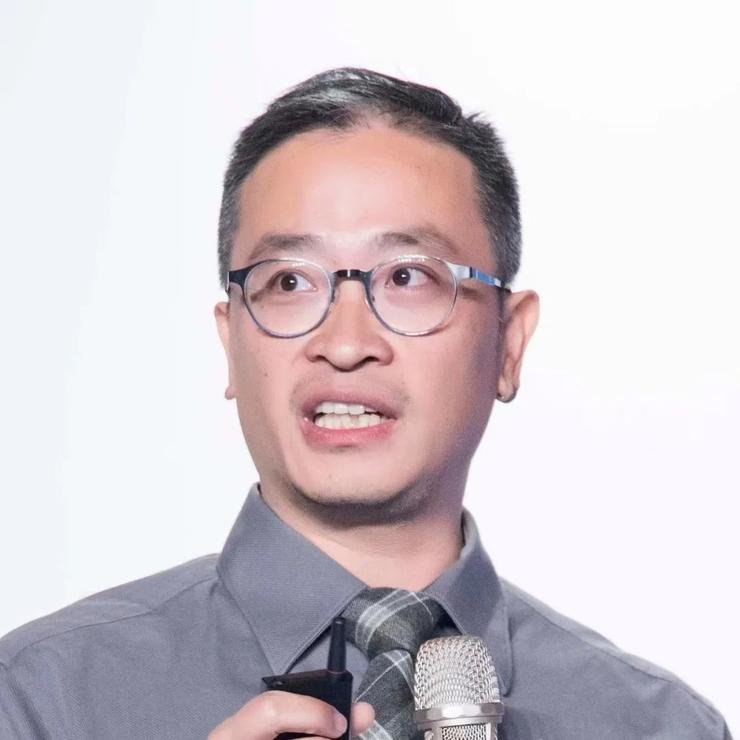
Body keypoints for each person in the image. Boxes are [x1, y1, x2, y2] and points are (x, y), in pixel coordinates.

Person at [0, 67, 731, 740]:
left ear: (509, 343)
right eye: (289, 282)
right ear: (230, 341)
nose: (346, 343)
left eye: (409, 277)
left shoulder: (657, 726)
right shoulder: (40, 700)